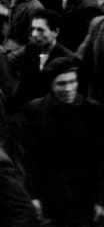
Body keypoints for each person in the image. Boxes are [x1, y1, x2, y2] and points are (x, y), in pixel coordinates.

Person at [18, 57, 104, 226]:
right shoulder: (34, 111)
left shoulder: (93, 111)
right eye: (61, 84)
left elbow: (102, 160)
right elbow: (27, 158)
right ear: (50, 85)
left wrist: (101, 200)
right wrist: (32, 196)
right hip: (48, 198)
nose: (68, 88)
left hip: (84, 199)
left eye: (72, 82)